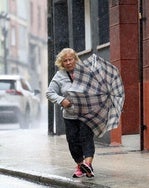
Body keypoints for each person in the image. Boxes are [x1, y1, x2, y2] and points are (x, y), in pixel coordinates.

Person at [46, 48, 95, 178]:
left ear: (75, 59)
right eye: (65, 60)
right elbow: (49, 93)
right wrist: (62, 100)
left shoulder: (85, 71)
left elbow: (94, 88)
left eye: (70, 59)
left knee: (86, 138)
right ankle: (80, 165)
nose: (68, 62)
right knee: (73, 141)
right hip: (70, 115)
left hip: (86, 113)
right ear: (61, 63)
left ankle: (88, 165)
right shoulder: (60, 75)